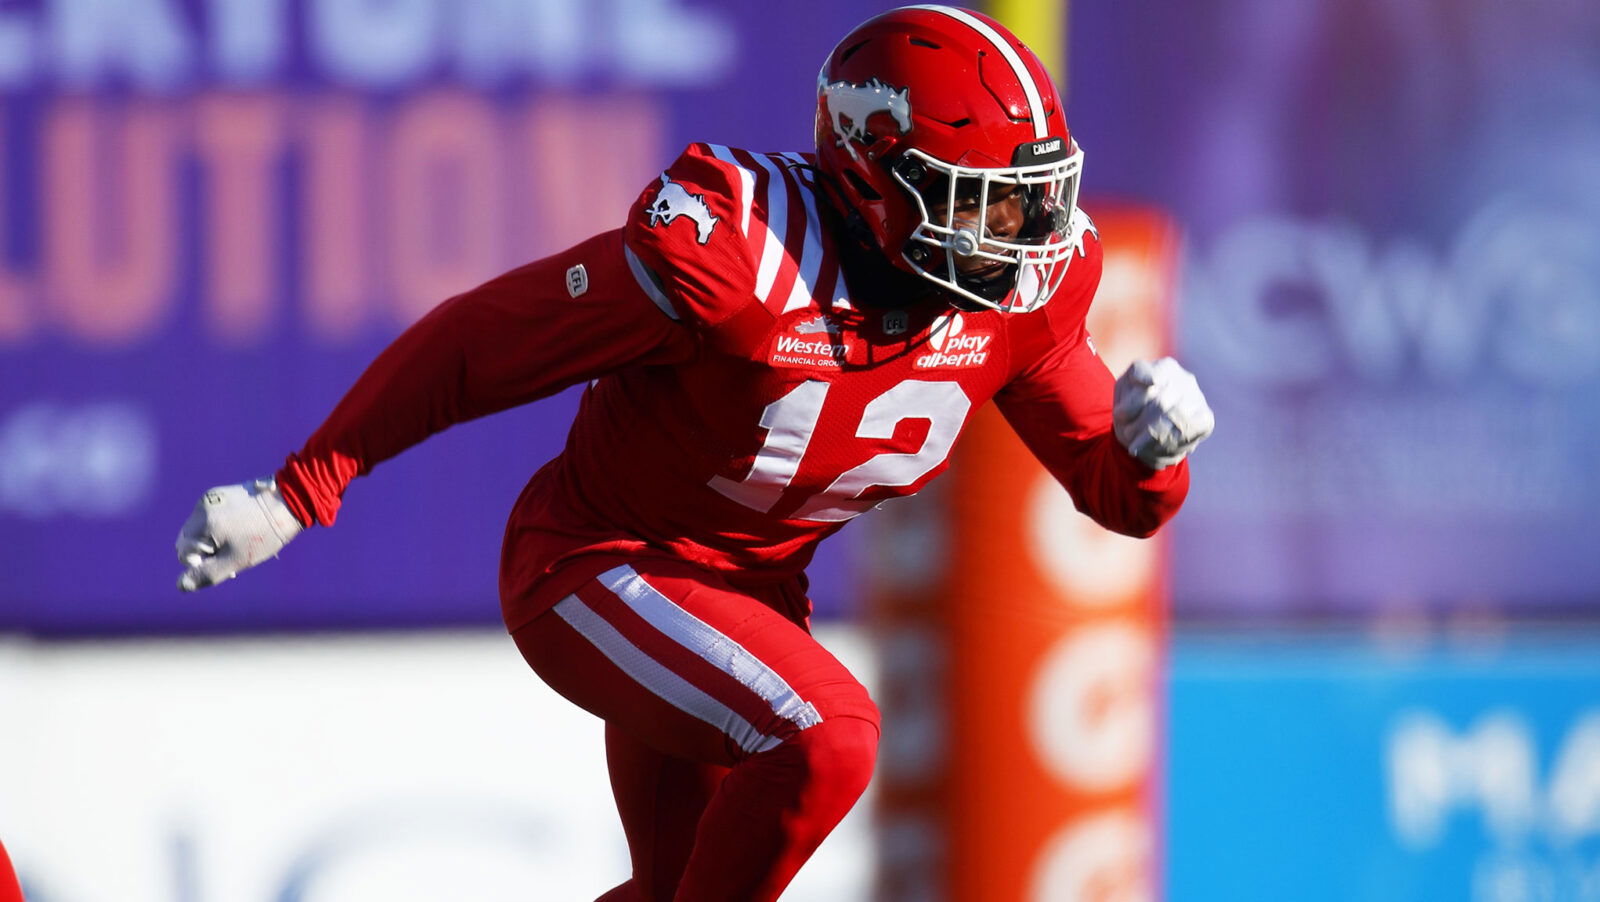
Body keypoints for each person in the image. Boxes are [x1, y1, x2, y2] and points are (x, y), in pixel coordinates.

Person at [174, 5, 1214, 900]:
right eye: (979, 197)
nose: (1020, 231)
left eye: (1031, 195)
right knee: (828, 733)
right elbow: (481, 345)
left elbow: (1120, 499)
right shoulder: (739, 255)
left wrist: (1152, 448)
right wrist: (304, 486)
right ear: (873, 177)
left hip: (749, 602)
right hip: (599, 565)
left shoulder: (1024, 296)